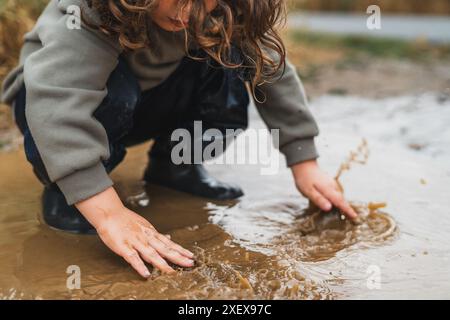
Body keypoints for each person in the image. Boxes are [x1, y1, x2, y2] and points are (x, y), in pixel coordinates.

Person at [1, 0, 357, 278]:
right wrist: (108, 212)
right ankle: (71, 191)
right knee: (116, 92)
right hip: (49, 107)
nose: (191, 13)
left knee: (229, 55)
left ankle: (175, 168)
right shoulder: (93, 10)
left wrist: (305, 163)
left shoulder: (220, 13)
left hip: (145, 102)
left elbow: (272, 69)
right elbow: (57, 103)